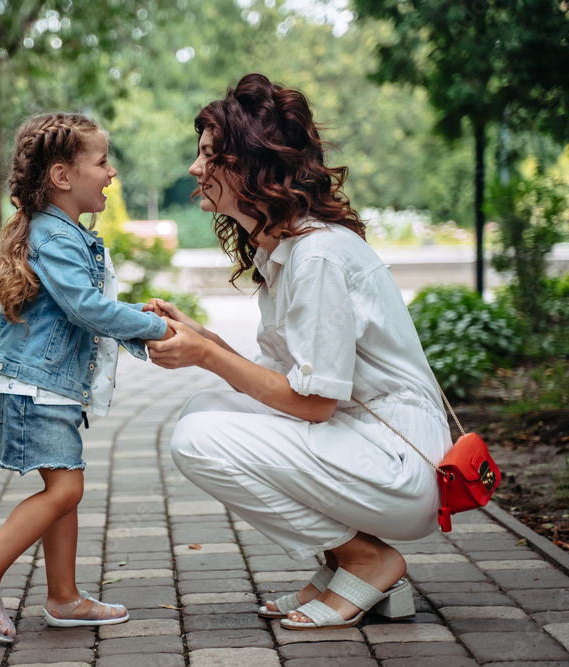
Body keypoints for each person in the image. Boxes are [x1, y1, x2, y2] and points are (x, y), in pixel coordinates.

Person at [144, 73, 451, 631]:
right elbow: (284, 381)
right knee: (204, 411)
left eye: (209, 155)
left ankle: (367, 560)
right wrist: (204, 340)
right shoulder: (287, 251)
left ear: (251, 164)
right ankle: (342, 564)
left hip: (402, 462)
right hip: (365, 444)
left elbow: (312, 404)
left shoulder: (317, 258)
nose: (194, 168)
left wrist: (207, 357)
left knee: (198, 439)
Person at [0, 112, 172, 643]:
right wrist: (154, 328)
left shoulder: (59, 232)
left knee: (62, 486)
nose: (111, 172)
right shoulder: (54, 235)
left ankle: (64, 597)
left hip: (44, 387)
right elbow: (85, 308)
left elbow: (81, 305)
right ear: (62, 176)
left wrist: (137, 313)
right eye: (102, 161)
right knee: (66, 488)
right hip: (33, 388)